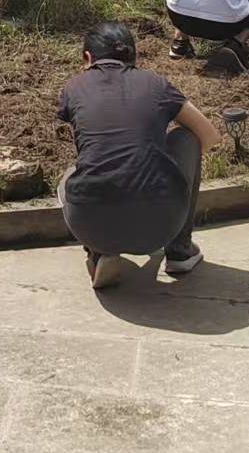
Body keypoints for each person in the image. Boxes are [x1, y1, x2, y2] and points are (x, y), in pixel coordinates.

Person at [56, 22, 222, 289]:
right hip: (162, 223)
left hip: (90, 223)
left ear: (87, 58)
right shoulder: (155, 84)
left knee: (72, 175)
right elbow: (209, 136)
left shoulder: (74, 87)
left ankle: (99, 252)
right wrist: (170, 166)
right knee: (187, 138)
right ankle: (179, 251)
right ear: (133, 57)